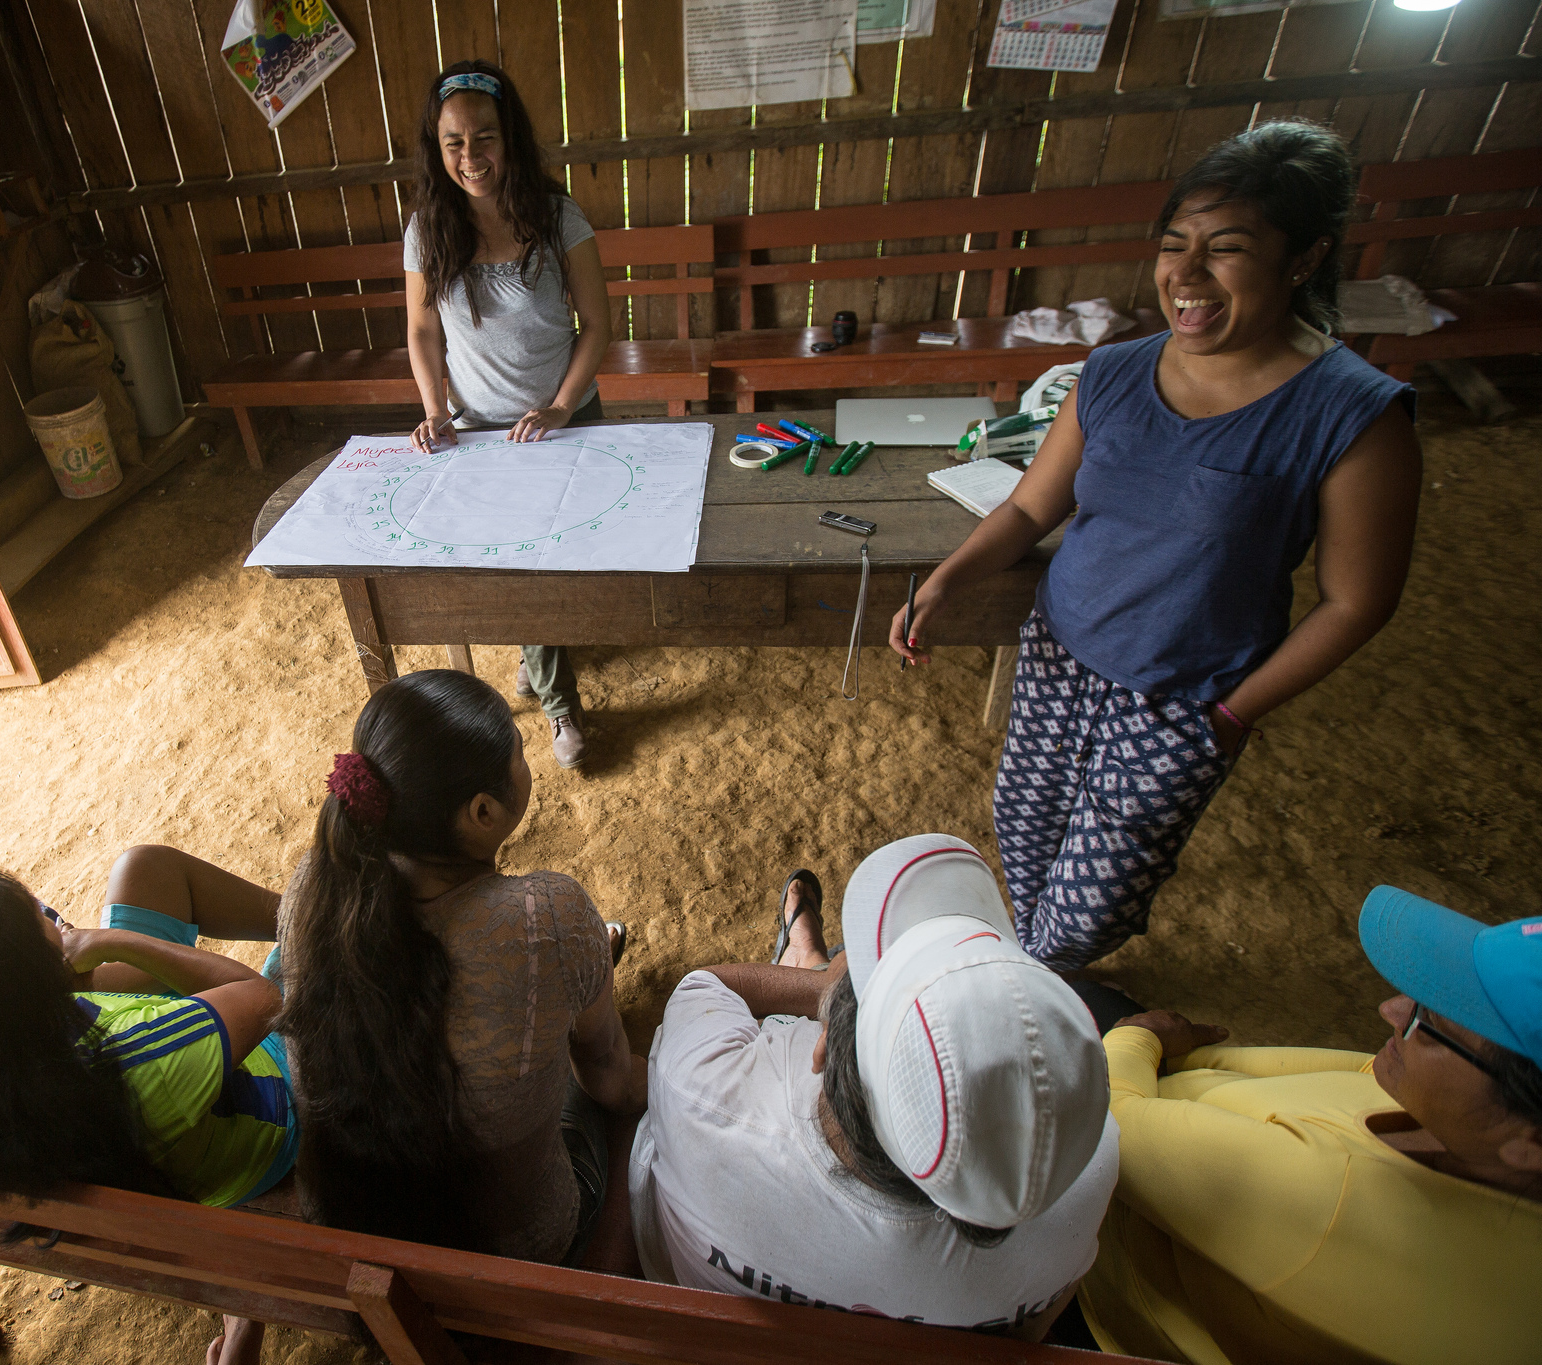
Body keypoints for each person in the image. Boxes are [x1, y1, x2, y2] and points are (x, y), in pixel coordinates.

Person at [891, 119, 1422, 971]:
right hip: (1059, 654)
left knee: (1087, 912)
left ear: (1304, 257)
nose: (1187, 275)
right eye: (1175, 245)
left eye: (1227, 248)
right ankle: (1036, 980)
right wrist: (945, 582)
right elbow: (1030, 510)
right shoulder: (1111, 373)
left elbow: (1358, 600)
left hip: (1184, 700)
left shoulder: (1353, 415)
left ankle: (1044, 981)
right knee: (1023, 844)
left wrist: (1232, 712)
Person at [628, 835, 1117, 1339]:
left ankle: (812, 962)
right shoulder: (1086, 1172)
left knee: (817, 980)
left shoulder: (709, 1096)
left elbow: (706, 986)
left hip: (709, 1312)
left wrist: (825, 986)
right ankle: (813, 957)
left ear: (821, 1049)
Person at [0, 855, 292, 1365]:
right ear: (37, 988)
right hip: (273, 1110)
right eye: (45, 919)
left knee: (144, 870)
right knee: (301, 958)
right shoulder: (142, 1062)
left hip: (138, 1121)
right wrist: (116, 942)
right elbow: (263, 998)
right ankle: (297, 917)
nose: (58, 921)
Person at [275, 668, 644, 1264]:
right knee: (607, 1107)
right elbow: (610, 1078)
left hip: (360, 1245)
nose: (527, 764)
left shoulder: (310, 896)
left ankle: (580, 975)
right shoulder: (547, 915)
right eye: (520, 755)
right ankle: (584, 973)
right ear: (481, 813)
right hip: (513, 1255)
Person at [1080, 887, 1542, 1363]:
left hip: (1109, 1274)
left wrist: (1142, 1037)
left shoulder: (1338, 1199)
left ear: (1530, 1142)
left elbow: (1105, 1127)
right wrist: (1171, 1055)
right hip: (1144, 1098)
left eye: (1433, 1019)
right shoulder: (1447, 1122)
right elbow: (1352, 1074)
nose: (1392, 1010)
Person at [403, 60, 612, 769]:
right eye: (454, 142)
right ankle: (561, 704)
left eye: (484, 138)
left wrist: (557, 406)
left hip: (564, 421)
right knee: (522, 564)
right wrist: (437, 411)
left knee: (566, 554)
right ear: (436, 148)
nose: (471, 157)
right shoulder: (428, 228)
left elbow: (597, 326)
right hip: (484, 433)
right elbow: (424, 331)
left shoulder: (557, 217)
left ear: (511, 137)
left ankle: (536, 644)